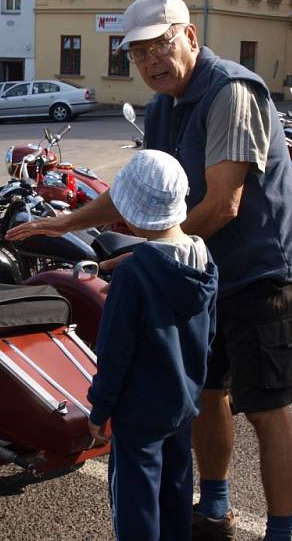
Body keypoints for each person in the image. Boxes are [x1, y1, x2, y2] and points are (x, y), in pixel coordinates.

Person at [7, 0, 292, 541]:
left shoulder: (230, 93)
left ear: (191, 37)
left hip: (263, 274)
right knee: (205, 394)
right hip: (205, 272)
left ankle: (280, 532)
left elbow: (223, 203)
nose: (151, 60)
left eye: (162, 45)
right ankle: (216, 505)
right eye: (138, 53)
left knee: (265, 409)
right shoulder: (163, 106)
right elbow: (144, 192)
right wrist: (63, 223)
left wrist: (148, 257)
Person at [87, 149, 218, 541]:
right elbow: (208, 335)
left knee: (136, 503)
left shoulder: (133, 274)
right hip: (183, 402)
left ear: (132, 213)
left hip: (139, 412)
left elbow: (114, 353)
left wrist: (100, 409)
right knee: (176, 491)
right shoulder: (205, 259)